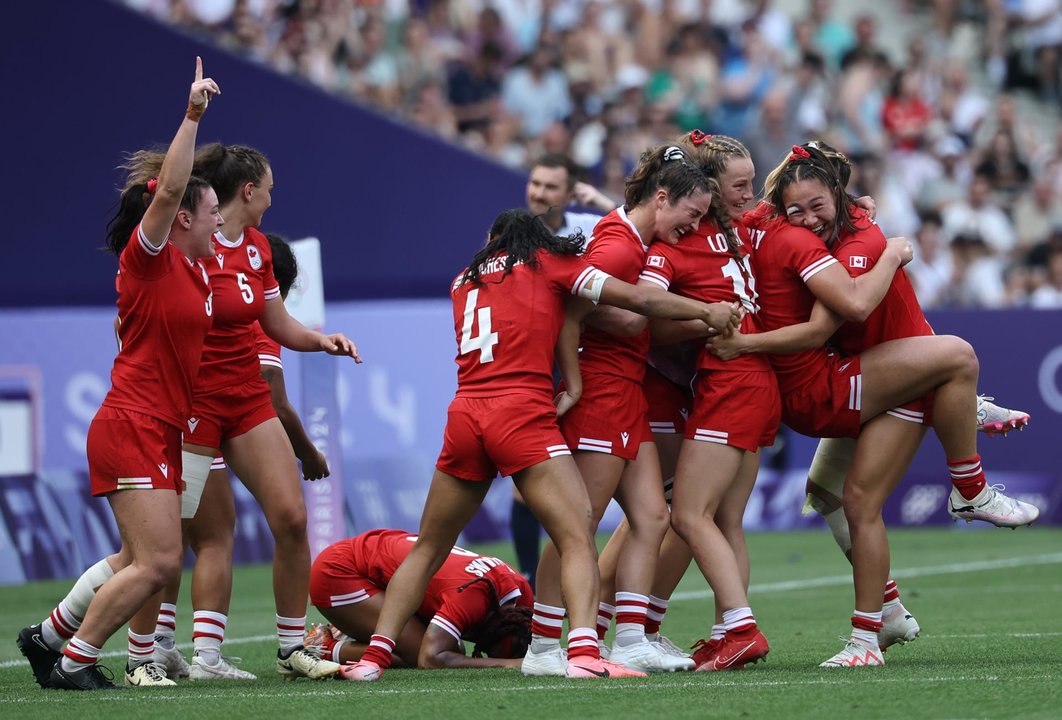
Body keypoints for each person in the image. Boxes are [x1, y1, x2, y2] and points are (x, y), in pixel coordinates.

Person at [340, 207, 742, 682]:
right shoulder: (548, 264)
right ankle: (585, 653)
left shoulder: (461, 281)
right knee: (577, 536)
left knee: (428, 546)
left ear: (494, 240)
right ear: (536, 240)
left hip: (466, 414)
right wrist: (705, 311)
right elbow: (639, 301)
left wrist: (570, 379)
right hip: (521, 414)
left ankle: (373, 659)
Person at [710, 141, 1040, 667]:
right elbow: (828, 295)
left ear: (837, 196)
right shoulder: (797, 225)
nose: (807, 218)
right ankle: (885, 610)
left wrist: (884, 246)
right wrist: (894, 248)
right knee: (826, 492)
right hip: (852, 376)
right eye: (795, 209)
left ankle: (966, 490)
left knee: (866, 493)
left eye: (818, 206)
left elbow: (847, 306)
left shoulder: (852, 236)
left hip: (872, 379)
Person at [16, 58, 221, 691]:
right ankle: (75, 663)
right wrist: (191, 117)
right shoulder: (148, 259)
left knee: (139, 559)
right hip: (133, 422)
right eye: (210, 209)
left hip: (158, 425)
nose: (218, 219)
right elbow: (165, 193)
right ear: (179, 218)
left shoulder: (193, 272)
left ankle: (48, 635)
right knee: (159, 562)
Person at [530, 144, 724, 676]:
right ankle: (545, 645)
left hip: (626, 394)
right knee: (577, 527)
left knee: (652, 517)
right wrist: (571, 381)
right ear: (662, 198)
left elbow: (620, 317)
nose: (694, 227)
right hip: (601, 393)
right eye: (692, 215)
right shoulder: (618, 247)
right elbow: (565, 309)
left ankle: (632, 637)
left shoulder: (630, 238)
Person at [171, 141, 360, 680]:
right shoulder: (190, 245)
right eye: (269, 191)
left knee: (292, 518)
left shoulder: (256, 249)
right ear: (247, 190)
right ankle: (172, 650)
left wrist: (320, 340)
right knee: (172, 535)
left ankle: (290, 648)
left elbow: (276, 324)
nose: (272, 202)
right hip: (194, 404)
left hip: (246, 402)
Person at [150, 232, 331, 682]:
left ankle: (163, 647)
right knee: (194, 538)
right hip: (207, 417)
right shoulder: (252, 313)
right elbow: (273, 392)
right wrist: (307, 453)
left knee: (191, 535)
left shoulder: (200, 278)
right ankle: (80, 639)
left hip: (187, 415)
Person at [511, 153, 617, 591]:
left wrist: (605, 203)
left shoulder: (588, 228)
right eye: (535, 183)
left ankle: (567, 578)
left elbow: (639, 232)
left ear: (570, 192)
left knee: (578, 484)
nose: (539, 193)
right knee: (526, 482)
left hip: (587, 364)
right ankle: (531, 581)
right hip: (537, 367)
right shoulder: (511, 235)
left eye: (550, 186)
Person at [307, 529, 532, 669]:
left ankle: (352, 625)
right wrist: (507, 663)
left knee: (450, 646)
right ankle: (322, 647)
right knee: (419, 655)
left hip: (377, 561)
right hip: (340, 572)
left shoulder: (522, 595)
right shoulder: (470, 596)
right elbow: (429, 659)